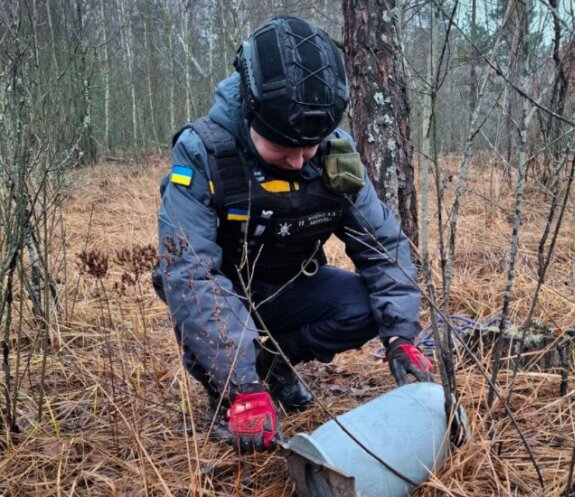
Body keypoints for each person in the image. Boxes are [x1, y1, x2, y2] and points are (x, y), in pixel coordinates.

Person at [152, 16, 433, 453]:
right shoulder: (202, 152)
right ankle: (231, 389)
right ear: (250, 111)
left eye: (310, 147)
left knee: (362, 306)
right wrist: (239, 383)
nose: (301, 162)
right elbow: (191, 274)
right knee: (198, 317)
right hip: (226, 294)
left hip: (287, 287)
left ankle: (273, 364)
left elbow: (383, 248)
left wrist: (402, 336)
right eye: (284, 149)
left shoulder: (333, 154)